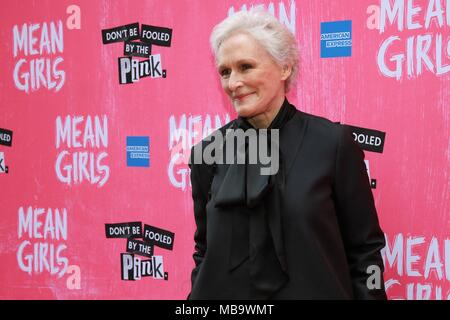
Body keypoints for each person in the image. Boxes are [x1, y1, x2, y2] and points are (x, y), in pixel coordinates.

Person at [188, 9, 387, 300]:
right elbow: (204, 251)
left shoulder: (333, 144)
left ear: (284, 68)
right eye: (225, 71)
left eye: (246, 66)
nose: (233, 83)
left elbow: (365, 253)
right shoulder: (208, 153)